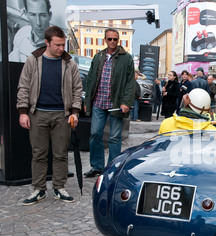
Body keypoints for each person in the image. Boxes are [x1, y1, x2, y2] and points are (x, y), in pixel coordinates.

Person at [17, 25, 82, 204]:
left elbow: (77, 89)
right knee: (38, 154)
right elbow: (23, 87)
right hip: (38, 114)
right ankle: (39, 189)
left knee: (61, 153)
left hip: (63, 114)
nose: (62, 48)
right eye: (58, 45)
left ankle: (59, 187)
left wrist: (75, 111)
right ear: (47, 42)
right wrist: (23, 112)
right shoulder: (33, 60)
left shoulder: (70, 63)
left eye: (63, 45)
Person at [84, 28, 135, 178]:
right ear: (105, 39)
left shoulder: (126, 58)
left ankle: (113, 168)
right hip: (98, 102)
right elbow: (90, 80)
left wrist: (126, 102)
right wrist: (88, 100)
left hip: (116, 104)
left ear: (118, 40)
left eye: (115, 39)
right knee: (94, 134)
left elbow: (130, 83)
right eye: (109, 39)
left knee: (114, 137)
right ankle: (97, 166)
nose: (112, 42)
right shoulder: (98, 56)